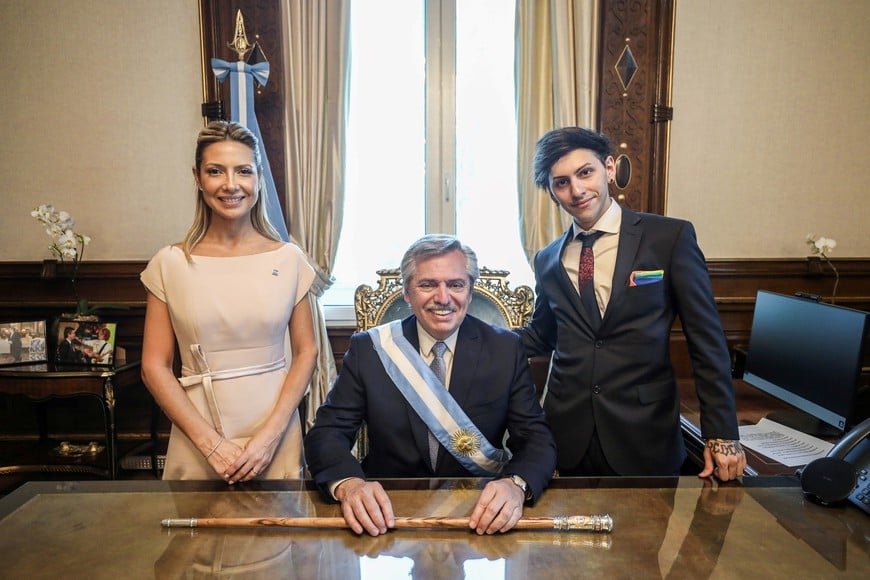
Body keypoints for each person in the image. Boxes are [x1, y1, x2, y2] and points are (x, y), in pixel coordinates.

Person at [518, 126, 745, 480]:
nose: (577, 190)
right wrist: (469, 338)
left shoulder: (670, 238)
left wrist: (722, 432)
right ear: (551, 192)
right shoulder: (547, 259)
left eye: (585, 172)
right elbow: (541, 336)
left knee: (646, 537)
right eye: (561, 182)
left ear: (608, 168)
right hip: (566, 435)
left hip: (645, 433)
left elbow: (707, 340)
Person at [304, 234, 556, 536]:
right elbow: (327, 434)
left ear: (470, 291)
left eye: (455, 284)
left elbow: (535, 439)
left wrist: (516, 485)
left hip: (479, 515)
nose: (443, 297)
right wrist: (350, 484)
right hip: (386, 514)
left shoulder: (505, 349)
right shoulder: (369, 350)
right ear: (407, 293)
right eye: (427, 285)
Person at [140, 120, 317, 483]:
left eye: (243, 171)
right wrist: (211, 445)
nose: (231, 184)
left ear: (258, 177)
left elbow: (306, 353)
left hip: (275, 431)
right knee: (197, 539)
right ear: (197, 178)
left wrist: (269, 438)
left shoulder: (289, 259)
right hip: (196, 433)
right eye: (216, 171)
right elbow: (154, 366)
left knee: (279, 536)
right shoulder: (169, 263)